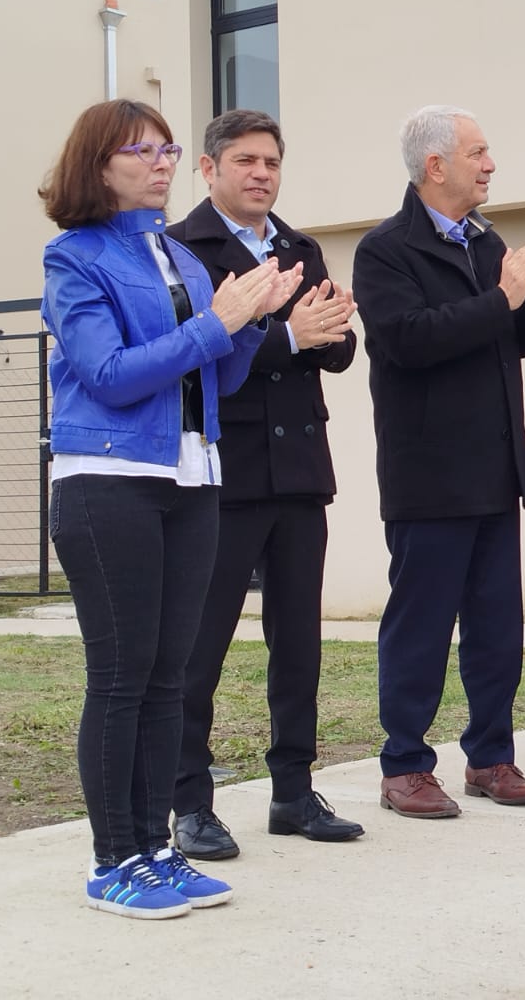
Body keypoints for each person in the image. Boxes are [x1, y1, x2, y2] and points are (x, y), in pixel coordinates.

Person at [41, 98, 299, 917]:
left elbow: (213, 377)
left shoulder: (180, 261)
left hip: (193, 481)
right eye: (140, 149)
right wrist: (221, 320)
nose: (160, 162)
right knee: (121, 678)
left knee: (167, 678)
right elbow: (110, 374)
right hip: (106, 481)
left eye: (167, 149)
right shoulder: (73, 258)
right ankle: (113, 858)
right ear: (97, 165)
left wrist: (253, 322)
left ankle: (155, 849)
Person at [352, 104, 525, 818]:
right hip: (428, 474)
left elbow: (503, 335)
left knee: (495, 627)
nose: (490, 165)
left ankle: (491, 756)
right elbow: (409, 341)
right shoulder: (385, 250)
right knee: (420, 625)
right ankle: (405, 766)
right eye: (479, 153)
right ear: (436, 167)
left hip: (493, 468)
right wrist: (507, 295)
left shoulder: (486, 245)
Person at [167, 109, 364, 854]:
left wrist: (332, 326)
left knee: (299, 642)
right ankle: (190, 803)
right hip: (225, 473)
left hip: (301, 470)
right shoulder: (183, 249)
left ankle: (293, 792)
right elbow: (201, 359)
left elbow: (335, 355)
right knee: (201, 645)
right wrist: (284, 334)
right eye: (245, 160)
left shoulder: (298, 247)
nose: (261, 174)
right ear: (210, 169)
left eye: (272, 163)